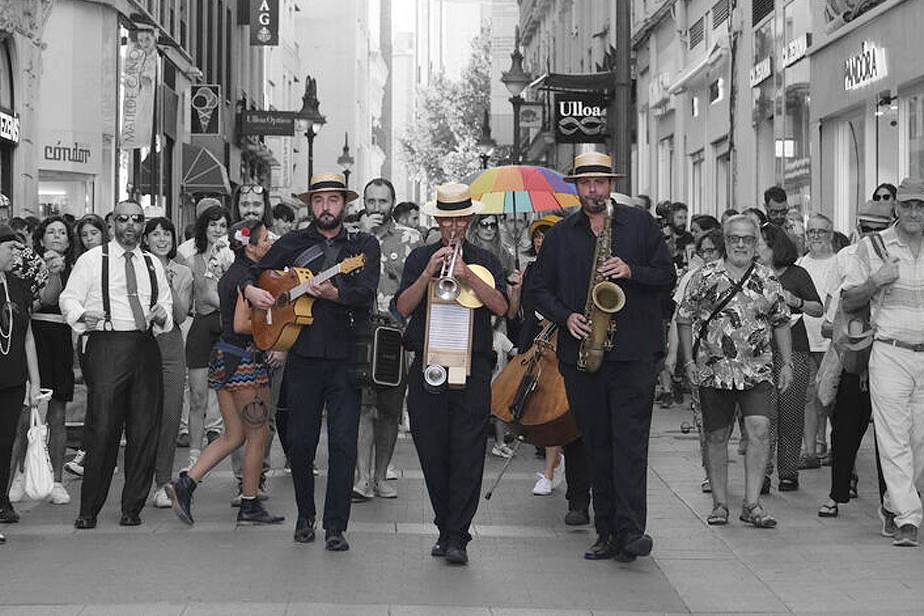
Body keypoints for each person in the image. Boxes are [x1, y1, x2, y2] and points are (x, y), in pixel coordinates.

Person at [526, 152, 674, 561]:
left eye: (600, 182)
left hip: (633, 355)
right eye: (586, 183)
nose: (593, 190)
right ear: (576, 186)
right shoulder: (559, 235)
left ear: (610, 185)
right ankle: (606, 530)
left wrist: (631, 271)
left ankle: (630, 532)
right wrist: (564, 316)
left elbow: (667, 277)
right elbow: (537, 289)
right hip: (582, 356)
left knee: (630, 445)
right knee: (597, 445)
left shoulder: (641, 225)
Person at [243, 173, 380, 551]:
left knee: (342, 444)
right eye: (319, 201)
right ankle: (306, 515)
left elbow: (366, 291)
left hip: (346, 356)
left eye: (333, 200)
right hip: (301, 355)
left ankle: (336, 526)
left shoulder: (363, 245)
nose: (325, 207)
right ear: (310, 205)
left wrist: (335, 293)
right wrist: (252, 289)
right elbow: (253, 271)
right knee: (300, 443)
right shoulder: (292, 243)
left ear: (344, 205)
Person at [396, 182, 508, 565]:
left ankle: (458, 534)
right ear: (438, 221)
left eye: (460, 219)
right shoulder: (420, 257)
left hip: (473, 367)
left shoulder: (486, 260)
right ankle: (445, 525)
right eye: (447, 220)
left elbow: (503, 307)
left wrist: (468, 276)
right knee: (431, 450)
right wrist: (430, 273)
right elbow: (404, 307)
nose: (453, 228)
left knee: (468, 452)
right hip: (428, 365)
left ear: (470, 219)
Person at [60, 200, 173, 528]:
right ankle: (89, 509)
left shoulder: (152, 263)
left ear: (142, 226)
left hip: (144, 346)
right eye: (123, 219)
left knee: (144, 429)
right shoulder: (91, 260)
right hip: (107, 345)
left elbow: (164, 302)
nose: (130, 226)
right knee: (104, 428)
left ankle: (131, 508)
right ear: (113, 224)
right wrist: (81, 316)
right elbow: (69, 297)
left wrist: (162, 314)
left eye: (136, 220)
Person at [167, 219, 285, 526]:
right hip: (245, 362)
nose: (269, 244)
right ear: (249, 245)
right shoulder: (247, 277)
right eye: (264, 240)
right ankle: (250, 503)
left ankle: (186, 483)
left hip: (225, 358)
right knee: (257, 433)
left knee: (234, 435)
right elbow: (242, 324)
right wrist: (276, 323)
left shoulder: (235, 273)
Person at [677, 214, 792, 529]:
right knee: (717, 436)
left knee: (758, 431)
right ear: (725, 241)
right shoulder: (705, 276)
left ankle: (752, 504)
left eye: (747, 239)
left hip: (757, 371)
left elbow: (781, 321)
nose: (740, 244)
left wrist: (787, 364)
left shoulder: (768, 279)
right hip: (714, 370)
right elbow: (684, 318)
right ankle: (719, 504)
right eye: (734, 238)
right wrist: (688, 361)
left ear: (756, 243)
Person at [842, 177, 924, 547]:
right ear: (896, 209)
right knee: (893, 439)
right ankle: (909, 518)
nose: (913, 212)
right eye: (907, 205)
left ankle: (893, 503)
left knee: (917, 440)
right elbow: (848, 300)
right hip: (889, 351)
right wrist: (876, 281)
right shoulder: (872, 246)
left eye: (920, 206)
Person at [816, 198, 893, 521]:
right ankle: (837, 493)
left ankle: (892, 503)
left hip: (891, 352)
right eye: (866, 229)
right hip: (855, 352)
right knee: (847, 426)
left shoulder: (900, 254)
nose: (871, 235)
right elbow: (838, 303)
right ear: (858, 228)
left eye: (879, 229)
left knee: (892, 435)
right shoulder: (847, 256)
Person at [352, 178, 421, 501]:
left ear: (393, 202)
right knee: (363, 408)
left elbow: (419, 286)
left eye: (382, 201)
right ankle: (362, 478)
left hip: (395, 331)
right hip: (360, 328)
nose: (376, 207)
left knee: (390, 410)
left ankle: (381, 476)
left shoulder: (411, 239)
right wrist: (364, 238)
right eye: (371, 200)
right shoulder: (353, 237)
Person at [756, 223, 822, 493]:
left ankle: (789, 471)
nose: (755, 248)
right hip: (760, 352)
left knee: (791, 414)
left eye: (759, 243)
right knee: (763, 416)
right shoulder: (754, 274)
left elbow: (818, 309)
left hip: (794, 350)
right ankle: (763, 472)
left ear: (774, 246)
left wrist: (796, 301)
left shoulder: (797, 274)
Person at [142, 218, 194, 509]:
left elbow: (182, 314)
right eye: (155, 234)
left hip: (171, 343)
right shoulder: (136, 266)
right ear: (145, 239)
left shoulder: (183, 272)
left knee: (172, 413)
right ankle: (140, 479)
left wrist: (167, 280)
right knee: (143, 414)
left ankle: (163, 482)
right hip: (141, 342)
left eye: (166, 234)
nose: (161, 239)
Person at [30, 216, 78, 505]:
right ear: (41, 238)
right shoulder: (28, 265)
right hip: (33, 336)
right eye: (51, 232)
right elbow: (33, 302)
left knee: (58, 412)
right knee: (29, 411)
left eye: (62, 232)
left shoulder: (77, 268)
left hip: (61, 336)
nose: (57, 236)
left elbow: (65, 301)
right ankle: (24, 472)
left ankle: (57, 480)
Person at [0, 225, 43, 526]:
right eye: (9, 248)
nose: (16, 254)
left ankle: (2, 499)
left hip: (13, 375)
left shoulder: (17, 284)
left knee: (6, 440)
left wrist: (35, 381)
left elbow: (27, 335)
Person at [184, 205, 231, 468]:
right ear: (204, 227)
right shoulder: (192, 260)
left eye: (223, 225)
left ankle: (232, 446)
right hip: (202, 326)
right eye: (213, 225)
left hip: (228, 328)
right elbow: (202, 298)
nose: (217, 230)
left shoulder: (234, 258)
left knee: (233, 394)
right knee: (198, 395)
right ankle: (193, 452)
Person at [795, 214, 839, 470]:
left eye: (821, 231)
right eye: (811, 232)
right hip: (805, 338)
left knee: (831, 397)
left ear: (831, 234)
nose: (815, 236)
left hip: (831, 340)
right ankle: (810, 451)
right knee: (809, 396)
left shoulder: (839, 262)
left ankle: (833, 445)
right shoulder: (801, 263)